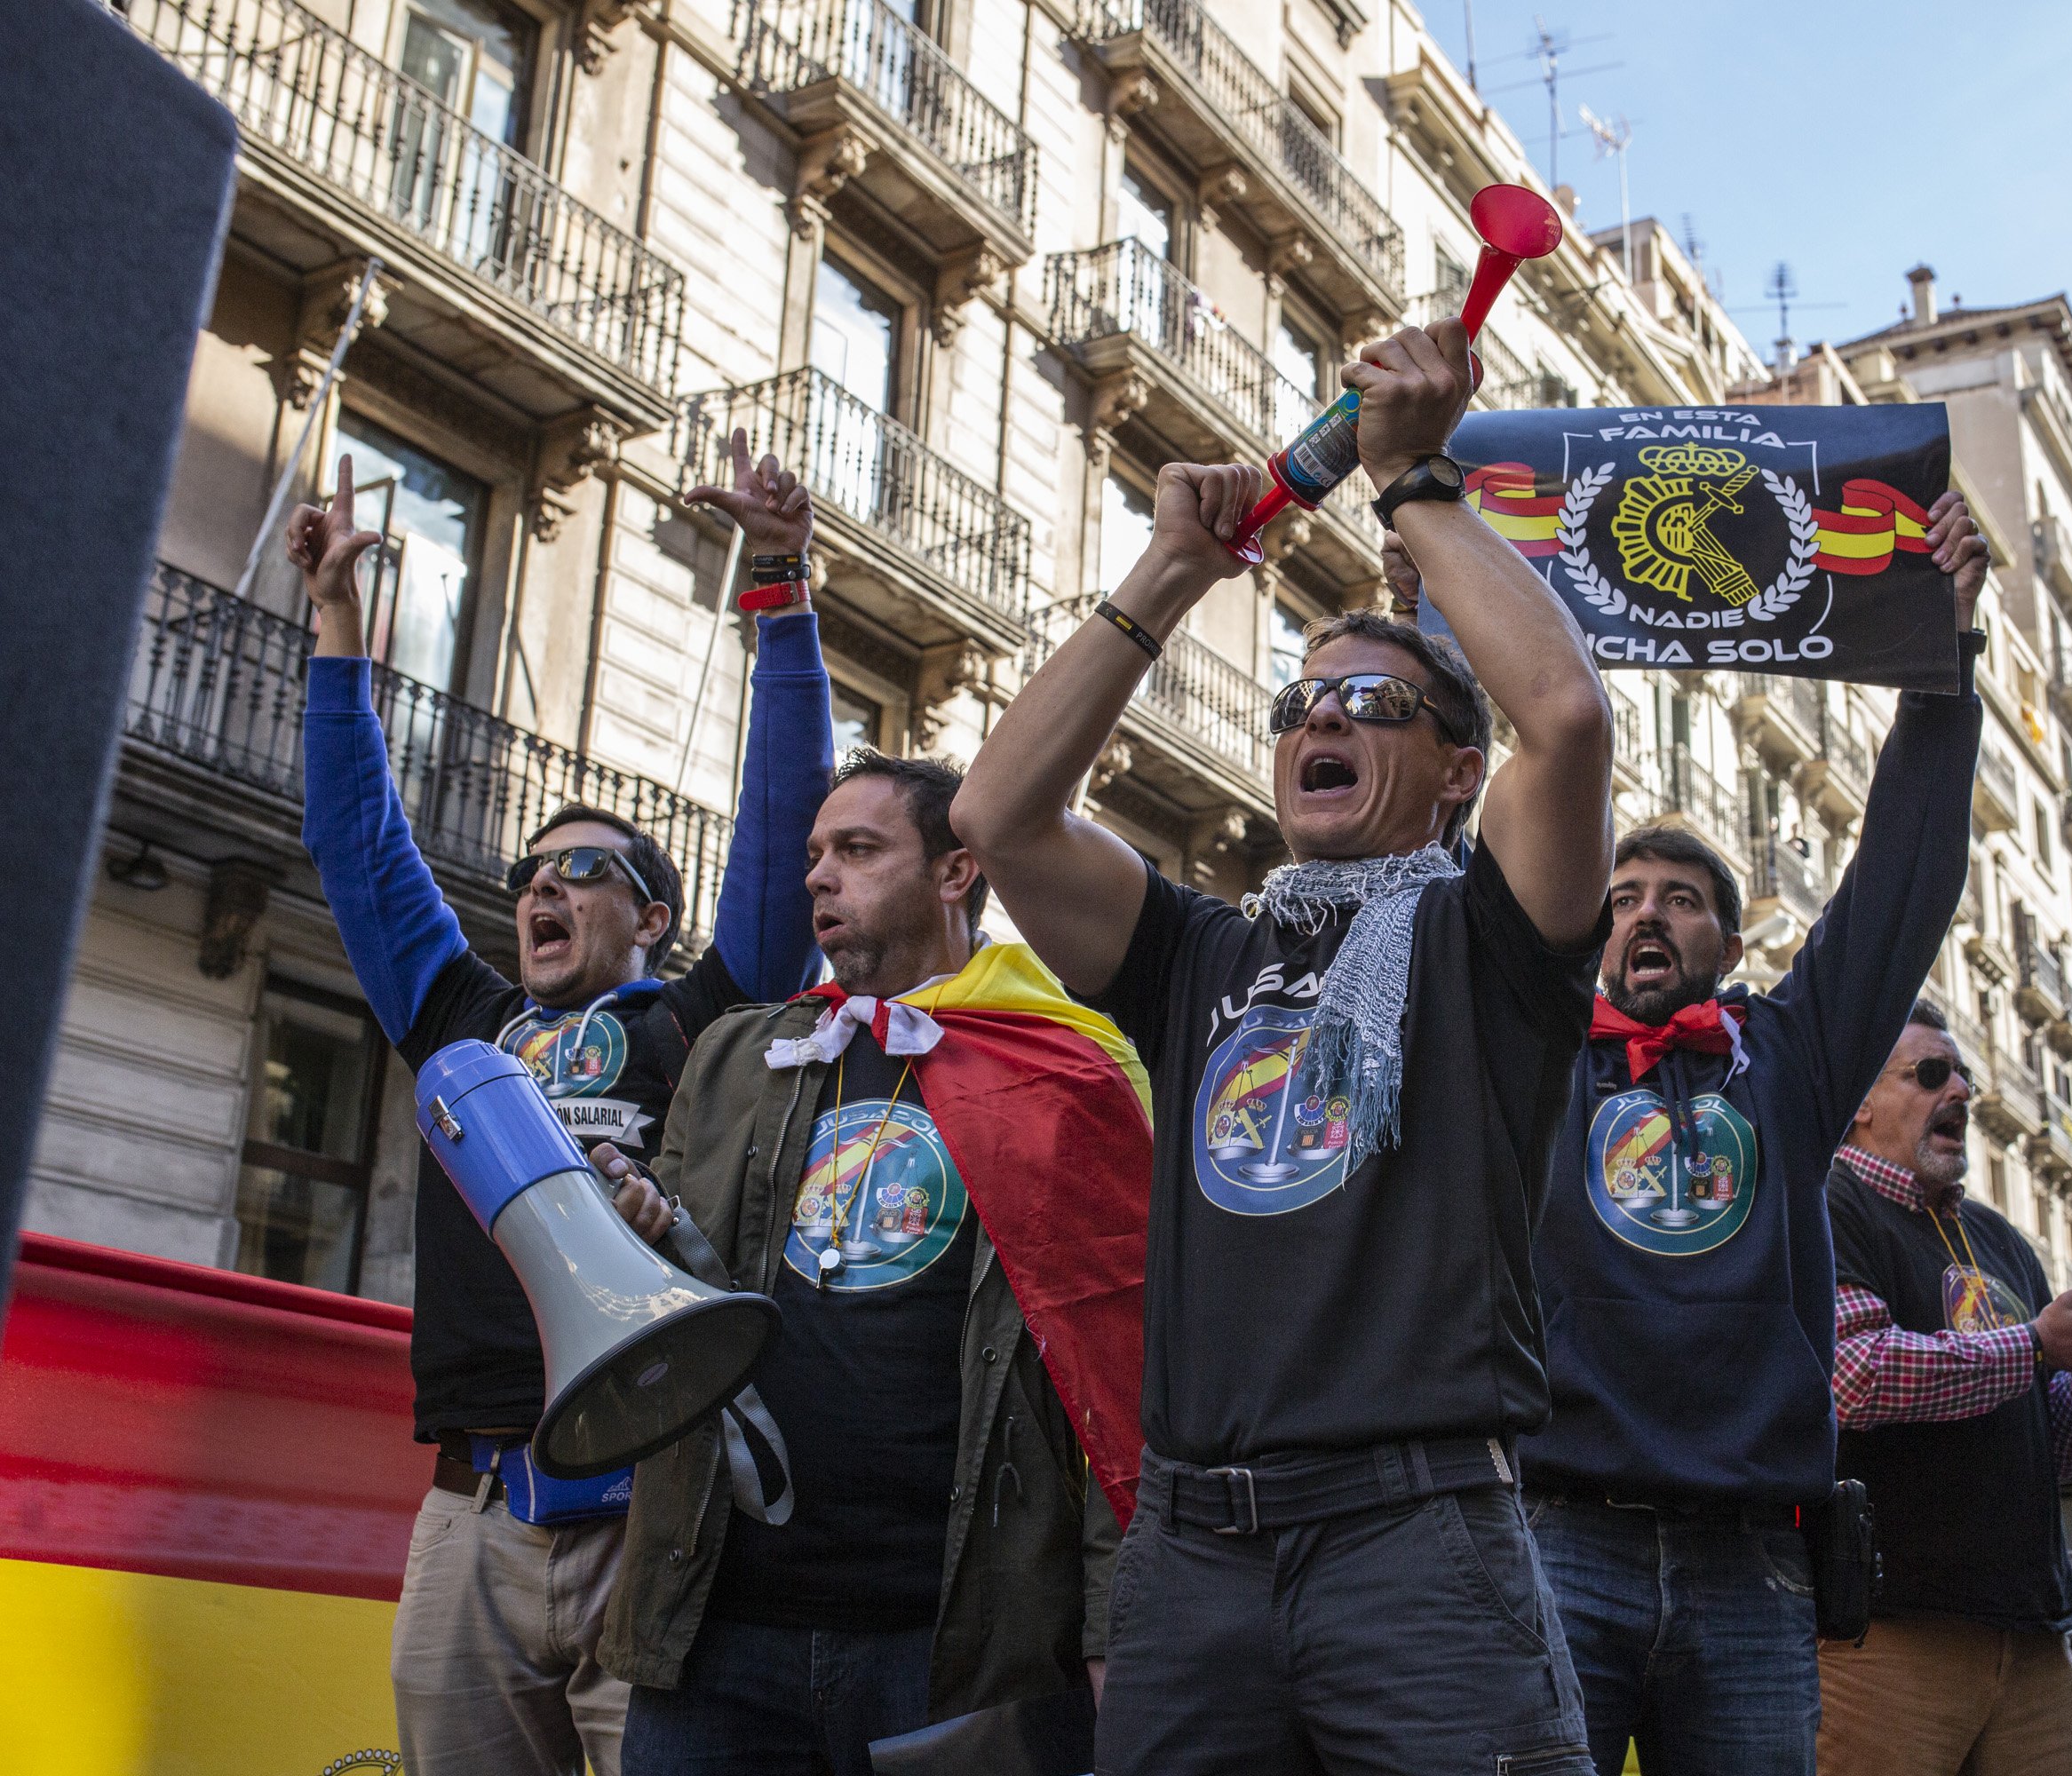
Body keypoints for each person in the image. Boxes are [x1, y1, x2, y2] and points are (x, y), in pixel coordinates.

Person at [949, 314, 1615, 1775]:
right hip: (1196, 1552)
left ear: (1454, 774)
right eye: (1301, 705)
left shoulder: (1489, 942)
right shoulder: (1202, 951)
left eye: (1372, 704)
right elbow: (996, 818)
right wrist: (1174, 567)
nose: (1322, 719)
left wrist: (1412, 480)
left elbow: (1563, 716)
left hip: (1420, 1542)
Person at [285, 431, 836, 1776]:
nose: (542, 888)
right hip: (471, 1521)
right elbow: (360, 850)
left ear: (651, 916)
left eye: (583, 868)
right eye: (531, 872)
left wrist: (779, 590)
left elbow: (782, 835)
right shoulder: (467, 1032)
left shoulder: (707, 1023)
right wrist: (339, 630)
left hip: (656, 1513)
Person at [1512, 495, 1989, 1776]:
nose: (1648, 915)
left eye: (1682, 898)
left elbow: (1904, 875)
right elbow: (1464, 849)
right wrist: (1436, 619)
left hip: (1753, 1566)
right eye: (1620, 897)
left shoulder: (1789, 1057)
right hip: (1558, 1541)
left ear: (1729, 941)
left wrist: (1945, 664)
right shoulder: (1527, 1051)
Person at [591, 751, 1123, 1776]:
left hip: (954, 1647)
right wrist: (628, 1228)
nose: (818, 876)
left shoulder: (1064, 1065)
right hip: (717, 1627)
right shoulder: (739, 1056)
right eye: (814, 854)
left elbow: (1111, 1370)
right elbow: (650, 1299)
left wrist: (1112, 1629)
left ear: (957, 871)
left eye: (860, 849)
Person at [1818, 1003, 2072, 1776]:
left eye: (1962, 1075)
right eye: (1930, 1073)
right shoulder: (1826, 1203)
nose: (1959, 1089)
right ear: (1858, 1099)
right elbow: (1854, 1377)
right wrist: (2036, 1346)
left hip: (2033, 1641)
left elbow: (2044, 1447)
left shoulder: (2001, 1240)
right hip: (1887, 1637)